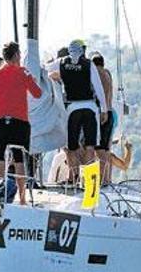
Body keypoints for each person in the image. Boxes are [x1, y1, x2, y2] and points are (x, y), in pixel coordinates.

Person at [0, 41, 42, 205]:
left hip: (1, 122)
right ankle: (22, 199)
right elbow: (37, 93)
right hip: (20, 122)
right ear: (17, 55)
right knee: (19, 160)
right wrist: (30, 78)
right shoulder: (22, 72)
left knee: (1, 158)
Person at [46, 39, 108, 181]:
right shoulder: (88, 64)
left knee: (72, 146)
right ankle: (89, 182)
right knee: (90, 147)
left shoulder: (61, 62)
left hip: (72, 108)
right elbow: (98, 88)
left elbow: (45, 67)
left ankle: (73, 178)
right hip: (90, 107)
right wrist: (104, 109)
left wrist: (51, 76)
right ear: (82, 50)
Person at [90, 51, 115, 183]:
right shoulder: (108, 74)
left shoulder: (97, 74)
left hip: (101, 114)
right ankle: (105, 179)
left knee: (97, 150)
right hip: (110, 113)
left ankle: (99, 180)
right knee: (105, 149)